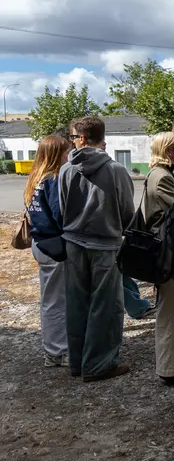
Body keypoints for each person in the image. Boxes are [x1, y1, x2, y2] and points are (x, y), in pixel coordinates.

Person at [60, 116, 134, 382]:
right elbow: (127, 211)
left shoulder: (66, 170)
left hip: (73, 244)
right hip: (105, 245)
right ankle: (99, 364)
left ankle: (78, 362)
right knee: (105, 306)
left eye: (72, 136)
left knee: (77, 304)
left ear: (81, 138)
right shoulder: (115, 170)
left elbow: (62, 206)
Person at [144, 132, 174, 385]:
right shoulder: (162, 177)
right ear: (168, 151)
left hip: (168, 250)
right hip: (168, 252)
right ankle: (171, 369)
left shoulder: (164, 174)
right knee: (173, 312)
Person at [25, 134, 72, 367]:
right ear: (56, 155)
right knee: (56, 301)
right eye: (66, 152)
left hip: (40, 244)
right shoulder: (54, 179)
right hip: (54, 245)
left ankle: (52, 349)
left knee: (50, 299)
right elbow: (59, 214)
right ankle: (57, 352)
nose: (69, 156)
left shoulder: (36, 178)